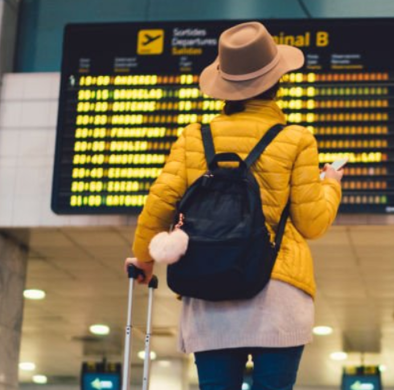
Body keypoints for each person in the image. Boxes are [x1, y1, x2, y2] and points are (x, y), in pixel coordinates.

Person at [124, 21, 343, 390]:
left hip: (208, 283)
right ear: (278, 80)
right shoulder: (296, 139)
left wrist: (143, 260)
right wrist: (331, 187)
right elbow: (312, 223)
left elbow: (159, 203)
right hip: (277, 289)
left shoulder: (194, 137)